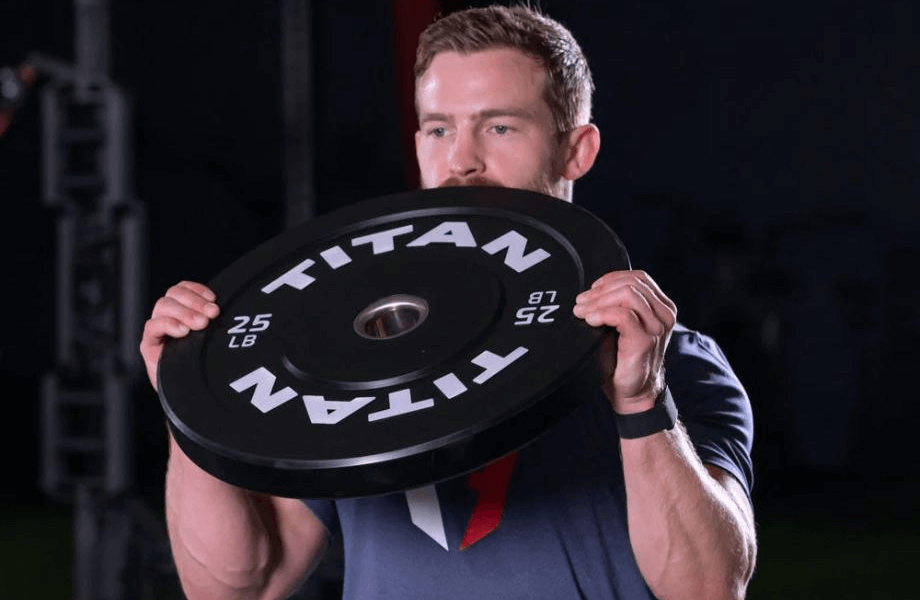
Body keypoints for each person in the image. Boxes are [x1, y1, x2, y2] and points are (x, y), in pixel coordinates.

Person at [140, 5, 757, 600]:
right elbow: (239, 586)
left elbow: (707, 589)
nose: (462, 161)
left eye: (499, 127)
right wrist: (190, 399)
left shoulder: (672, 362)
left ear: (576, 150)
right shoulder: (350, 361)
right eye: (440, 129)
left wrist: (642, 402)